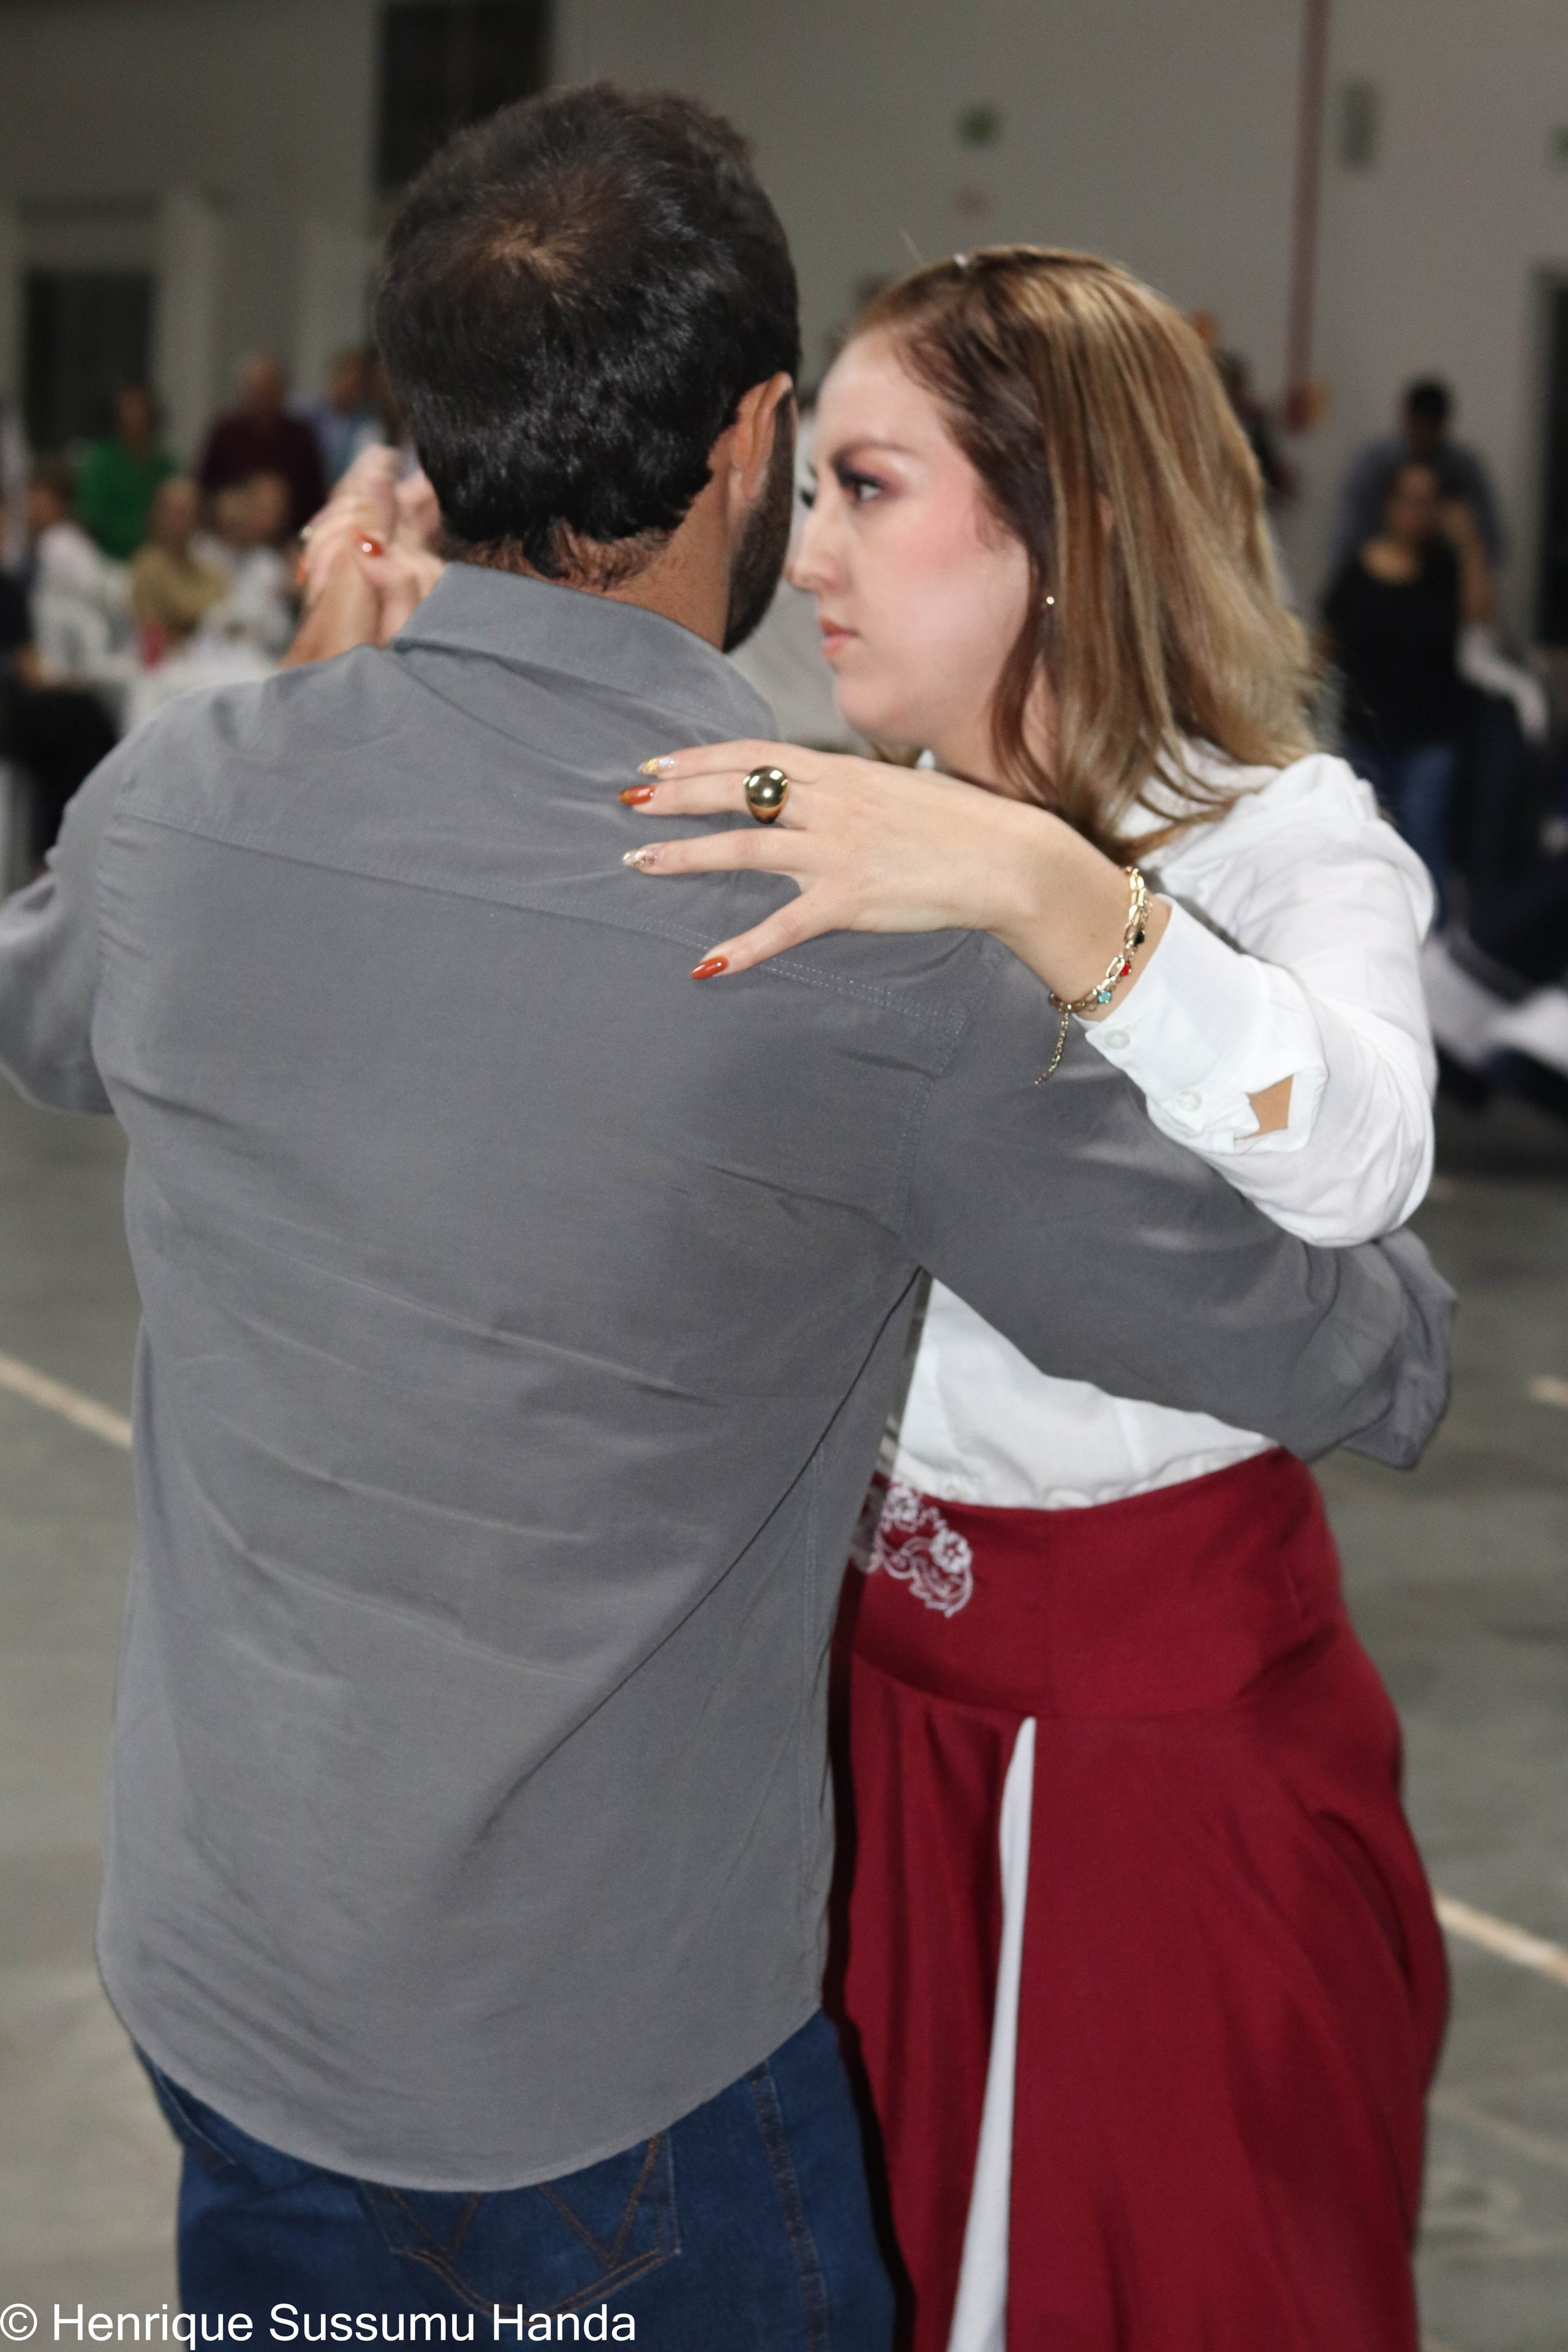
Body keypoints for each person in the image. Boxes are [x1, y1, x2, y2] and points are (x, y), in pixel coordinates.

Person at [0, 95, 1449, 2342]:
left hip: (236, 2009)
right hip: (610, 2077)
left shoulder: (187, 809)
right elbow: (1350, 1342)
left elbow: (58, 1004)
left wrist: (298, 722)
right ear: (750, 434)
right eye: (837, 477)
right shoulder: (833, 928)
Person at [619, 247, 1449, 2352]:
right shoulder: (825, 810)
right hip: (866, 1721)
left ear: (1057, 523)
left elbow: (1357, 1157)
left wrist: (1033, 884)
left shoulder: (1280, 844)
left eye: (869, 490)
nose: (805, 552)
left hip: (1171, 1769)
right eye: (807, 492)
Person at [1324, 459, 1493, 921]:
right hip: (1364, 735)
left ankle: (1435, 954)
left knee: (1425, 848)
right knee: (1364, 851)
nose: (1417, 512)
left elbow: (1480, 615)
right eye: (1409, 500)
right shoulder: (1357, 569)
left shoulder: (1445, 570)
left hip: (1429, 739)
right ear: (1389, 504)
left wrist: (1469, 542)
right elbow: (1324, 644)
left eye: (1428, 502)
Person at [0, 496, 118, 865]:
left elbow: (29, 664)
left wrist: (58, 683)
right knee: (77, 723)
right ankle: (62, 854)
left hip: (15, 697)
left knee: (79, 718)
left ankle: (62, 852)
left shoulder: (10, 588)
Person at [1332, 376, 1504, 574]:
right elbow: (1346, 541)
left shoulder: (1464, 468)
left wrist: (1465, 542)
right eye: (1409, 501)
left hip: (1442, 582)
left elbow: (1492, 546)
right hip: (1379, 575)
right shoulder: (1374, 465)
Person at [198, 353, 326, 537]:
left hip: (288, 539)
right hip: (229, 538)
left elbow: (313, 496)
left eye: (270, 390)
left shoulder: (300, 435)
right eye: (258, 391)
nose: (264, 398)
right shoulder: (225, 431)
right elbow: (207, 490)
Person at [76, 383, 176, 560]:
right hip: (107, 559)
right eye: (128, 409)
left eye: (140, 409)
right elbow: (91, 516)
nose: (135, 416)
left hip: (158, 559)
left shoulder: (166, 466)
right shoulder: (102, 460)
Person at [129, 476, 228, 651]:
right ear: (157, 514)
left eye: (188, 512)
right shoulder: (148, 565)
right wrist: (201, 614)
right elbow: (155, 624)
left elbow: (224, 605)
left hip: (208, 656)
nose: (182, 520)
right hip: (166, 661)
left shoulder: (205, 563)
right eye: (176, 511)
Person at [295, 345, 383, 489]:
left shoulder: (369, 422)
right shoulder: (306, 414)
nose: (349, 383)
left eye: (356, 379)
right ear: (332, 376)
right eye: (344, 375)